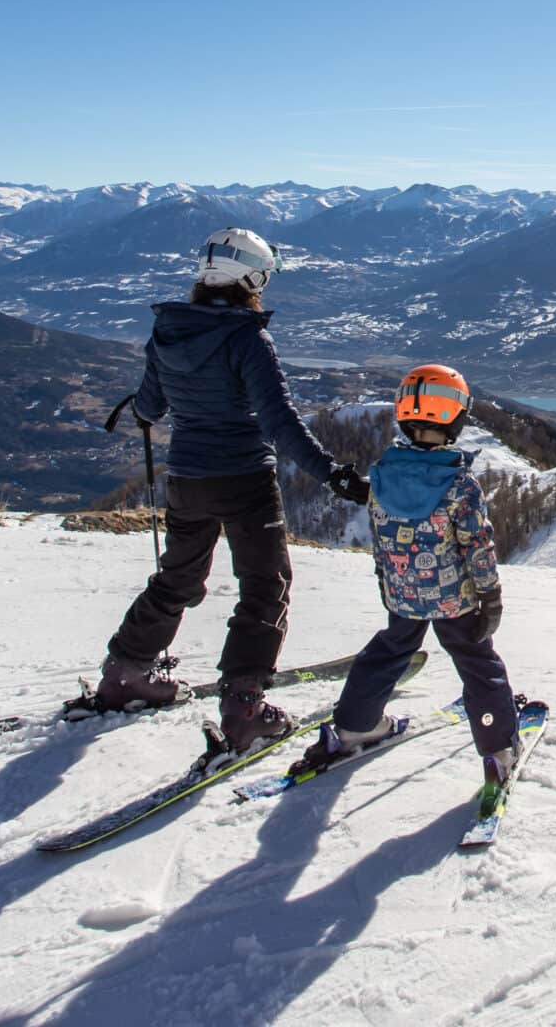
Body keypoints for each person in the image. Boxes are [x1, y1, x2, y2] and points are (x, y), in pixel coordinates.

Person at [94, 227, 369, 752]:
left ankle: (125, 673)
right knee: (265, 586)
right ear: (252, 277)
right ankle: (245, 708)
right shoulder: (248, 338)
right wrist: (332, 473)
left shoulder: (167, 332)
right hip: (244, 480)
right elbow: (279, 421)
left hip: (187, 479)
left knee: (177, 579)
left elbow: (148, 410)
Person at [301, 364, 523, 788]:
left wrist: (388, 584)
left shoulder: (382, 476)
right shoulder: (459, 484)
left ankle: (355, 725)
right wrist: (489, 596)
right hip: (454, 599)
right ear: (457, 417)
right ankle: (497, 747)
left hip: (402, 593)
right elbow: (477, 546)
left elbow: (383, 539)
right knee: (477, 661)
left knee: (388, 652)